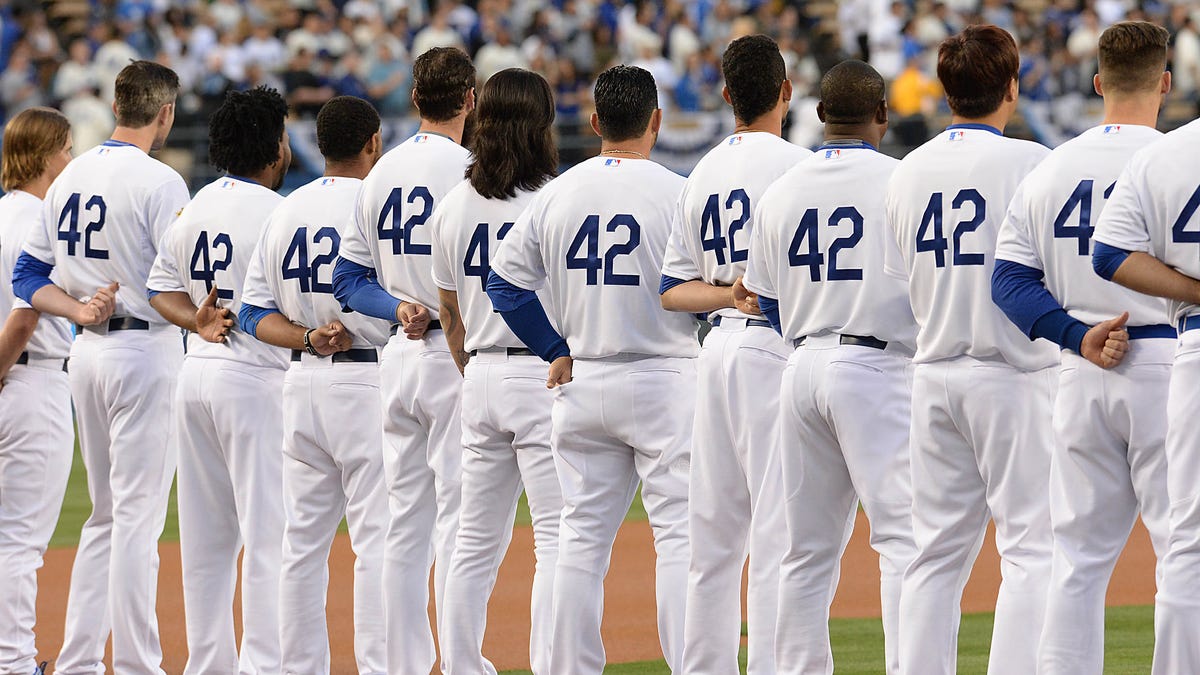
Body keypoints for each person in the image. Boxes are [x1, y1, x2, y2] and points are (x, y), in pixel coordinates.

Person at [486, 64, 696, 675]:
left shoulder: (559, 190)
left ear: (596, 122)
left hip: (584, 381)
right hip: (664, 376)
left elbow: (505, 286)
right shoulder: (676, 189)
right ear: (657, 121)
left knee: (577, 544)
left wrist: (553, 347)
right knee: (679, 538)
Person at [991, 21, 1172, 674]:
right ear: (1167, 84)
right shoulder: (1180, 160)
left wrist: (1076, 334)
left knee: (1075, 560)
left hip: (1080, 367)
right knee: (1183, 551)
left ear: (1097, 84)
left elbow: (1007, 281)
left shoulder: (1050, 165)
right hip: (1168, 367)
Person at [883, 26, 1059, 675]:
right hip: (1012, 370)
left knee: (933, 554)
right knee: (1031, 550)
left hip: (933, 371)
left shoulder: (908, 170)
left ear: (947, 90)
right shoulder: (1033, 162)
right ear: (1011, 88)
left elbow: (902, 282)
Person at [12, 60, 191, 675]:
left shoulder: (70, 174)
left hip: (86, 356)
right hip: (146, 350)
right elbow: (185, 281)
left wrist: (80, 310)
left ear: (118, 104)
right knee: (136, 518)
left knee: (107, 514)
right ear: (164, 112)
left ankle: (82, 661)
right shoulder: (160, 180)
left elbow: (29, 278)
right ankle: (139, 665)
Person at [743, 59, 918, 675]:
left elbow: (763, 296)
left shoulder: (784, 186)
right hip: (876, 366)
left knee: (803, 550)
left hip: (803, 362)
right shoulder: (901, 180)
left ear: (819, 115)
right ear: (882, 114)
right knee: (904, 541)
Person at [657, 34, 809, 675]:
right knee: (778, 532)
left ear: (725, 95)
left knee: (712, 539)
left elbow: (673, 292)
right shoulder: (800, 167)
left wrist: (727, 293)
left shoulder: (704, 172)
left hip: (715, 349)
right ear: (786, 92)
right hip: (773, 349)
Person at [331, 46, 474, 674]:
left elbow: (348, 279)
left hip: (397, 357)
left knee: (403, 522)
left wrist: (398, 309)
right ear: (470, 100)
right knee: (460, 519)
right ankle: (461, 659)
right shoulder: (473, 167)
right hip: (455, 354)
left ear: (415, 100)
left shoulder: (381, 170)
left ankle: (405, 665)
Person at [239, 95, 389, 675]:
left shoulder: (286, 208)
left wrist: (306, 338)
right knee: (378, 539)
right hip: (370, 381)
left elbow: (253, 313)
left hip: (302, 385)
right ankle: (380, 666)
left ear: (318, 146)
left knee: (301, 543)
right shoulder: (378, 203)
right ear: (373, 143)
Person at [144, 86, 292, 675]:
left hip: (197, 371)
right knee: (268, 536)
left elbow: (159, 289)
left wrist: (197, 321)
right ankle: (263, 666)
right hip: (255, 376)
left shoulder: (198, 202)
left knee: (205, 543)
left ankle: (209, 666)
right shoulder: (276, 213)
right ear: (274, 147)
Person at [430, 67, 563, 675]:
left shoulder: (455, 203)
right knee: (557, 538)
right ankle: (550, 664)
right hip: (544, 372)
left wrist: (471, 369)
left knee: (471, 543)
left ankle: (460, 665)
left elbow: (450, 311)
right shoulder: (552, 199)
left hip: (479, 371)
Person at [1091, 60, 1200, 675]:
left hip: (1194, 351)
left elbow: (1109, 254)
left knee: (1189, 542)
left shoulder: (1167, 153)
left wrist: (1193, 289)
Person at [0, 107, 74, 675]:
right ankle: (16, 663)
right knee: (20, 541)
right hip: (26, 379)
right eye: (67, 148)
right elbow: (25, 317)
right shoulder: (37, 220)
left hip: (13, 375)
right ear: (48, 154)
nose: (70, 159)